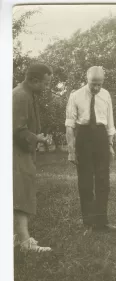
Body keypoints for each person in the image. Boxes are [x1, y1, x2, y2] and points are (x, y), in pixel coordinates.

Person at [65, 66, 116, 231]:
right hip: (83, 137)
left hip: (101, 137)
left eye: (99, 84)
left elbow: (110, 122)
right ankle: (88, 223)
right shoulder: (75, 96)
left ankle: (102, 222)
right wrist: (71, 150)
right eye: (93, 84)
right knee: (86, 182)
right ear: (86, 79)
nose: (96, 88)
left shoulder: (106, 95)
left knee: (103, 181)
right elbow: (69, 126)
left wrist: (110, 145)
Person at [13, 63, 52, 252]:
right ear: (34, 80)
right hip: (15, 152)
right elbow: (17, 130)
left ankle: (17, 236)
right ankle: (24, 241)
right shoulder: (20, 96)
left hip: (21, 151)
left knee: (21, 190)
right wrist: (37, 139)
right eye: (45, 83)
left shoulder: (28, 94)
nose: (46, 87)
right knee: (21, 192)